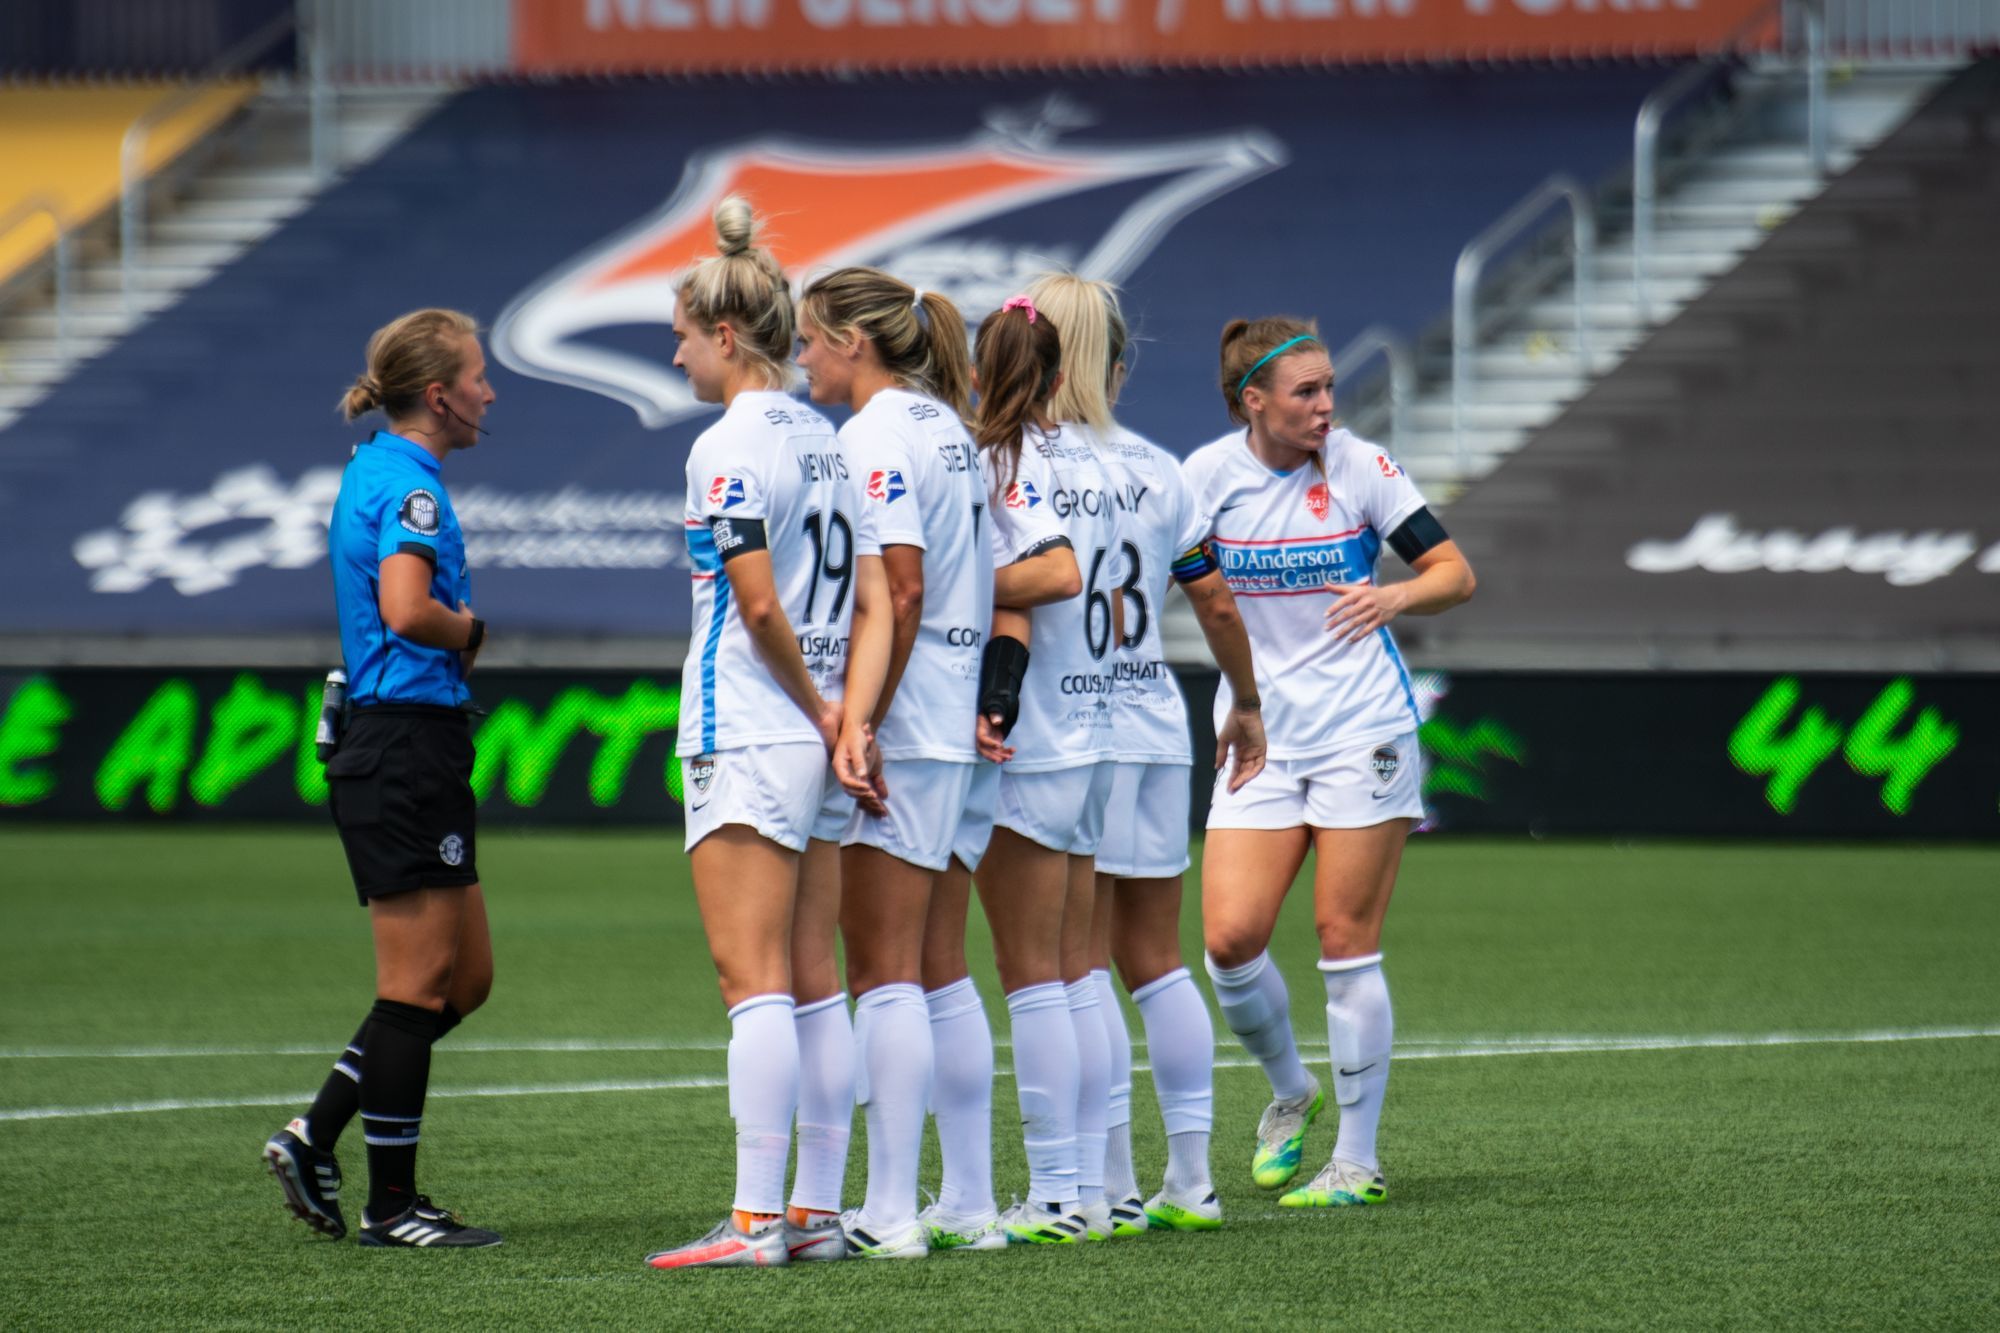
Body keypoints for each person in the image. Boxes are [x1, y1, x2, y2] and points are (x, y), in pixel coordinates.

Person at [1183, 317, 1475, 1210]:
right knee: (1229, 943)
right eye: (1306, 392)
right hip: (1260, 733)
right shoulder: (1204, 478)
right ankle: (1290, 1089)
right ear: (1253, 401)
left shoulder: (1361, 466)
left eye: (1328, 388)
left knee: (1345, 944)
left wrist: (1395, 593)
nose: (1325, 406)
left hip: (1365, 730)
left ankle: (1356, 1160)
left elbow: (1456, 573)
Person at [644, 198, 886, 1270]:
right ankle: (816, 1213)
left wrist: (816, 709)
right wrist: (847, 717)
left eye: (685, 334)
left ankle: (752, 1223)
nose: (678, 351)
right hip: (827, 730)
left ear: (727, 335)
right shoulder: (826, 439)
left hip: (753, 725)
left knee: (753, 983)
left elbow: (755, 607)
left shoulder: (727, 446)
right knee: (812, 976)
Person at [1022, 273, 1267, 1236]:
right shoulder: (1164, 471)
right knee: (1157, 962)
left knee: (1074, 964)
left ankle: (1105, 1187)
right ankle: (1191, 1180)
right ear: (1116, 363)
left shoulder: (1018, 462)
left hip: (1059, 726)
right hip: (1155, 718)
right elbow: (1213, 602)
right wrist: (1245, 702)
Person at [262, 307, 502, 1249]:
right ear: (438, 395)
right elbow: (408, 609)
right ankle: (392, 1205)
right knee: (415, 986)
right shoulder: (410, 488)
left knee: (465, 979)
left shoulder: (375, 468)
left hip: (409, 744)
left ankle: (316, 1129)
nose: (490, 391)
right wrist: (471, 630)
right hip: (405, 744)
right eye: (478, 376)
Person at [794, 266, 986, 1260]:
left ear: (852, 341)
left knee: (882, 970)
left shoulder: (870, 434)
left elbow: (899, 591)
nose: (801, 357)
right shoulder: (947, 425)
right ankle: (967, 1201)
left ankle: (888, 1210)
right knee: (939, 969)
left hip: (909, 723)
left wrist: (859, 716)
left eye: (809, 339)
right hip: (954, 720)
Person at [967, 295, 1128, 1245]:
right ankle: (1096, 1188)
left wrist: (952, 579)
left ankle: (1060, 1194)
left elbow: (1055, 573)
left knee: (1032, 974)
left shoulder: (1004, 459)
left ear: (983, 371)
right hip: (1098, 725)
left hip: (1043, 731)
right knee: (1075, 973)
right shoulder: (1095, 459)